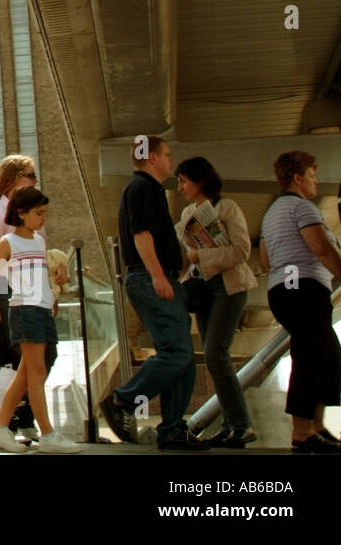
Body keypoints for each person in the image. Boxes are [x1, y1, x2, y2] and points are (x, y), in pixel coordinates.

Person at [99, 137, 207, 451]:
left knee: (182, 357)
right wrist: (159, 276)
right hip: (151, 279)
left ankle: (172, 429)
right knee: (178, 353)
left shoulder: (148, 189)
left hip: (156, 278)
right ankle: (122, 401)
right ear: (152, 158)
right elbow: (141, 234)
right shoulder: (142, 188)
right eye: (167, 155)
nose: (171, 161)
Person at [259, 151, 341, 453]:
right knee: (310, 356)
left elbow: (266, 260)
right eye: (312, 174)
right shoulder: (302, 207)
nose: (316, 181)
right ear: (297, 178)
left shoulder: (271, 214)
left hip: (283, 290)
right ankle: (302, 433)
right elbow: (322, 249)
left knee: (329, 355)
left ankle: (315, 426)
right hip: (304, 290)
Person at [174, 156, 257, 448]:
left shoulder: (227, 207)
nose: (180, 186)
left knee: (215, 353)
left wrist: (201, 256)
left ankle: (241, 425)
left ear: (200, 180)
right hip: (203, 286)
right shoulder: (186, 213)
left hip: (228, 286)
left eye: (184, 180)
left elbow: (242, 251)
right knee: (212, 357)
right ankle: (231, 425)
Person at [0, 187, 81, 453]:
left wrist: (50, 299)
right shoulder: (7, 242)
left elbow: (40, 278)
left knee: (26, 374)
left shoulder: (39, 241)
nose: (43, 218)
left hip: (41, 310)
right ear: (21, 213)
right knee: (37, 371)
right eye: (38, 213)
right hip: (24, 310)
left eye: (44, 213)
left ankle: (0, 428)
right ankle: (48, 434)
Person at [0, 154, 49, 442]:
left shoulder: (32, 217)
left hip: (33, 294)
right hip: (11, 293)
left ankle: (19, 419)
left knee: (35, 361)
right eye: (30, 176)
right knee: (23, 359)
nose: (34, 180)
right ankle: (21, 422)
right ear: (13, 180)